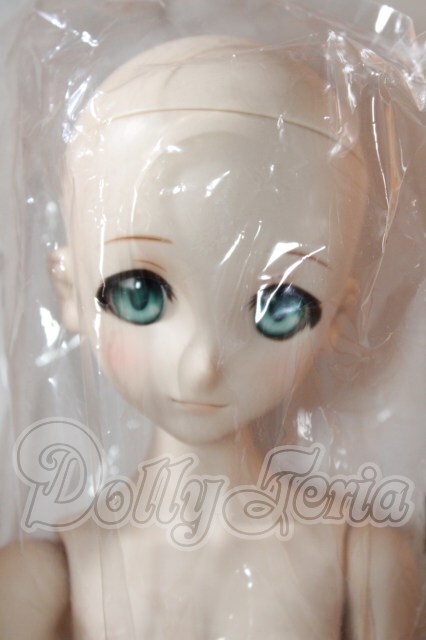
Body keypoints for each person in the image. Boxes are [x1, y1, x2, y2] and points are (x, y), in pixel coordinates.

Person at [0, 35, 421, 639]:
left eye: (278, 308)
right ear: (68, 289)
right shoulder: (44, 578)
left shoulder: (364, 563)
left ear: (337, 316)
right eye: (139, 294)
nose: (202, 364)